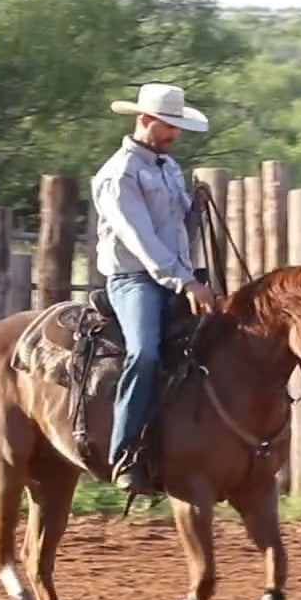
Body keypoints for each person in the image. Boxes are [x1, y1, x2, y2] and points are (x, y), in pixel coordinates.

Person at [90, 82, 220, 492]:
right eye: (168, 127)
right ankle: (124, 452)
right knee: (144, 353)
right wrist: (186, 283)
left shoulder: (167, 168)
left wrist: (194, 210)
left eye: (177, 128)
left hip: (174, 275)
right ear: (144, 120)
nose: (174, 136)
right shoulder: (118, 175)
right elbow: (141, 240)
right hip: (134, 280)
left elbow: (174, 231)